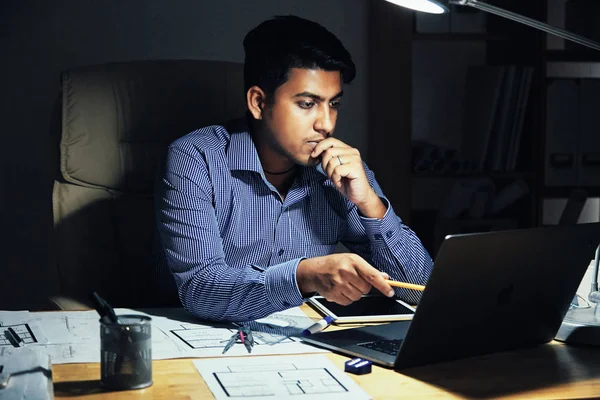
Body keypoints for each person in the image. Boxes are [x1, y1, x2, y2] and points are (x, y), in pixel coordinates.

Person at [155, 15, 433, 322]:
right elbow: (200, 289)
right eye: (307, 103)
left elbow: (419, 291)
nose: (326, 124)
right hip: (202, 347)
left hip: (307, 345)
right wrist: (303, 276)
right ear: (259, 102)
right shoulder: (196, 158)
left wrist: (370, 204)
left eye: (334, 104)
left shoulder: (344, 170)